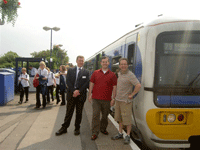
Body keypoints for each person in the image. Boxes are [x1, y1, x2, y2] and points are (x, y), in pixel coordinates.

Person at [55, 55, 89, 136]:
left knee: (79, 112)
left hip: (81, 95)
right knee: (69, 112)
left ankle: (77, 128)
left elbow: (86, 83)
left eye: (82, 60)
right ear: (76, 61)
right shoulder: (70, 70)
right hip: (71, 95)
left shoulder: (86, 72)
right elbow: (68, 81)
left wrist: (78, 91)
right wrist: (74, 91)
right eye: (80, 60)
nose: (81, 62)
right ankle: (64, 128)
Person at [111, 58, 141, 144]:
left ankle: (127, 135)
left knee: (127, 120)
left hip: (126, 101)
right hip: (118, 100)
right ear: (119, 65)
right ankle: (120, 133)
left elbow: (138, 85)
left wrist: (132, 95)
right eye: (122, 64)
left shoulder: (130, 74)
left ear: (127, 65)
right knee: (120, 118)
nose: (123, 66)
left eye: (125, 64)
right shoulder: (119, 73)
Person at [88, 56, 117, 140]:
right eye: (103, 62)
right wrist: (90, 94)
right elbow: (91, 84)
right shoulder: (95, 73)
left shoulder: (112, 75)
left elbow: (114, 87)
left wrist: (113, 98)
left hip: (107, 99)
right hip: (96, 99)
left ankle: (103, 128)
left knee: (105, 116)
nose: (105, 63)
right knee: (95, 115)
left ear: (108, 63)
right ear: (101, 63)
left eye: (106, 62)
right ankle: (94, 132)